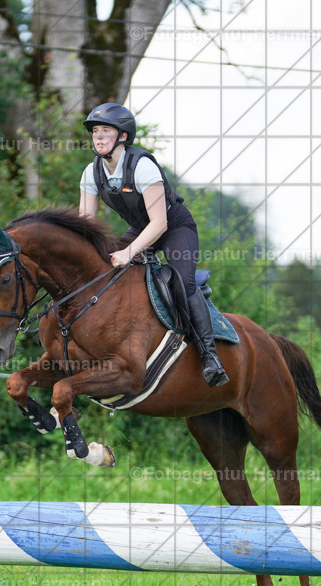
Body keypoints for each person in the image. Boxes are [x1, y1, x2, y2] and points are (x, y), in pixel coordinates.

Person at [78, 102, 228, 387]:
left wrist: (128, 251)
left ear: (122, 136)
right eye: (95, 131)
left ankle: (210, 357)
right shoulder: (91, 172)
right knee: (103, 269)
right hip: (140, 228)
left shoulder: (142, 166)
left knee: (183, 282)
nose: (97, 137)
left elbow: (159, 224)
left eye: (105, 131)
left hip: (174, 226)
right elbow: (85, 226)